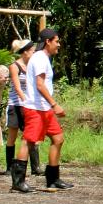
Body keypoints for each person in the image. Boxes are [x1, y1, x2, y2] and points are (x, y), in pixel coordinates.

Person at [13, 27, 72, 193]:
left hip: (44, 109)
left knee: (58, 138)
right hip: (36, 108)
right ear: (48, 42)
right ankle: (18, 181)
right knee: (29, 141)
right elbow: (40, 85)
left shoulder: (44, 58)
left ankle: (53, 179)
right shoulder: (39, 58)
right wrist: (54, 104)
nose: (58, 45)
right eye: (57, 41)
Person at [2, 39, 41, 178]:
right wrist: (27, 101)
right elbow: (18, 88)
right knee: (12, 137)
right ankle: (9, 168)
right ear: (25, 52)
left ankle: (36, 167)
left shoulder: (32, 66)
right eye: (33, 51)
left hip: (28, 105)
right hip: (16, 105)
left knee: (32, 136)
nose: (35, 53)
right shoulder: (14, 66)